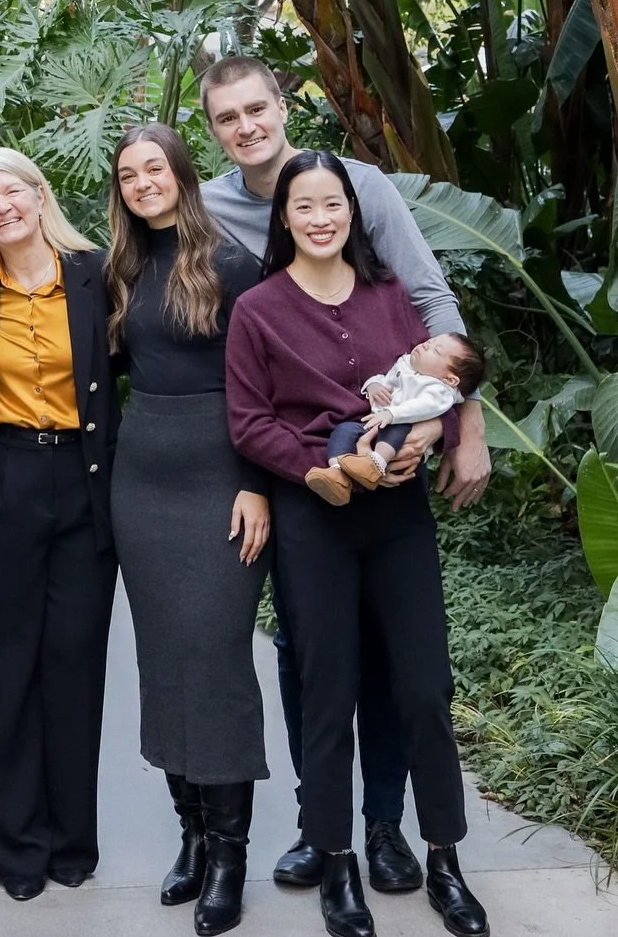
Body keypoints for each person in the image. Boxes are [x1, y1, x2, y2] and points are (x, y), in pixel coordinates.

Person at [199, 54, 490, 894]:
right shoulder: (216, 217)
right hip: (307, 494)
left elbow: (434, 314)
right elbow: (234, 378)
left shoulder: (364, 206)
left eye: (258, 107)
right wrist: (278, 469)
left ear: (282, 103)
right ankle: (325, 836)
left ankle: (391, 828)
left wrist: (449, 423)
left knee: (411, 676)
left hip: (395, 487)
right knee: (314, 668)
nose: (247, 126)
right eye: (228, 117)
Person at [106, 125, 269, 937]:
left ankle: (232, 855)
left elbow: (265, 383)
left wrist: (254, 484)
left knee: (216, 657)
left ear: (182, 173)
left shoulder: (234, 265)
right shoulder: (124, 268)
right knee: (163, 657)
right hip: (142, 482)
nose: (143, 182)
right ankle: (193, 837)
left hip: (219, 479)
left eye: (155, 168)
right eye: (129, 173)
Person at [0, 148, 117, 902]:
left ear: (38, 193)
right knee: (3, 665)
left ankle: (70, 838)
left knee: (74, 663)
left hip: (86, 482)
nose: (0, 205)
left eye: (11, 189)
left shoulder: (95, 273)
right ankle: (11, 844)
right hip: (5, 479)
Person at [312, 336, 487, 505]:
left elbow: (424, 406)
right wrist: (373, 385)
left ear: (450, 378)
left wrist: (392, 414)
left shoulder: (440, 391)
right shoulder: (405, 365)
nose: (425, 345)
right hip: (375, 424)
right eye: (429, 341)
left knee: (398, 426)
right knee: (345, 430)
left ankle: (375, 464)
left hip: (401, 444)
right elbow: (385, 379)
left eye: (436, 350)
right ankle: (336, 473)